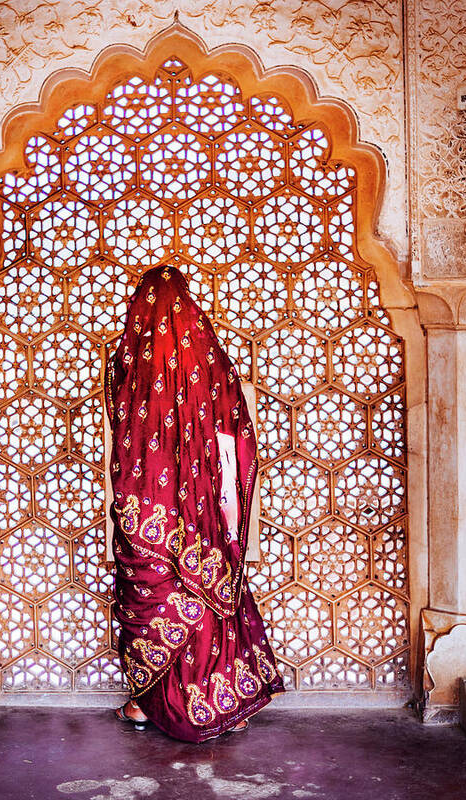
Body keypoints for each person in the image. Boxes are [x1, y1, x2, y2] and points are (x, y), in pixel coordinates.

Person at [104, 265, 284, 742]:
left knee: (155, 595)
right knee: (208, 590)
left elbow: (118, 433)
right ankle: (230, 703)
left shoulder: (126, 360)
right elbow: (238, 434)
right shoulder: (213, 362)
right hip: (204, 510)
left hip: (147, 510)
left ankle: (147, 706)